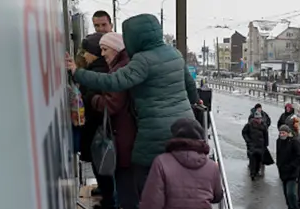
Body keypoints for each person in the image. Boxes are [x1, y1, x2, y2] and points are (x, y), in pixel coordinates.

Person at [66, 13, 201, 198]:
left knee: (139, 173)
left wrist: (77, 73)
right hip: (185, 124)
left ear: (135, 37)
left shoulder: (142, 60)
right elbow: (190, 87)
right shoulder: (174, 53)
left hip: (155, 129)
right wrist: (196, 102)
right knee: (179, 170)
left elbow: (113, 82)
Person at [91, 32, 138, 209]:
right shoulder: (125, 65)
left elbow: (112, 105)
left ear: (116, 48)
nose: (102, 54)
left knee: (125, 177)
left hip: (124, 133)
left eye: (105, 49)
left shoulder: (120, 69)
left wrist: (93, 99)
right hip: (128, 131)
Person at [77, 33, 118, 209]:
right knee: (104, 171)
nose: (83, 55)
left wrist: (87, 98)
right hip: (100, 130)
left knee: (105, 170)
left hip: (100, 131)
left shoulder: (98, 72)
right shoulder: (98, 68)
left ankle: (110, 208)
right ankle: (110, 205)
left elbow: (105, 103)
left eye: (87, 51)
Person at [276, 125, 300, 209]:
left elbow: (299, 156)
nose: (282, 134)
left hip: (292, 172)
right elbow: (278, 155)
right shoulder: (279, 141)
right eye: (280, 132)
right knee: (286, 193)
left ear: (288, 132)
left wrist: (292, 166)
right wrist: (279, 166)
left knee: (291, 193)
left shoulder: (294, 142)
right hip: (283, 172)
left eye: (284, 132)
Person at [241, 111, 269, 181]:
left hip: (260, 146)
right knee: (252, 161)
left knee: (259, 161)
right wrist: (248, 141)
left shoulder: (263, 126)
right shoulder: (249, 125)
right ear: (254, 118)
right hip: (252, 146)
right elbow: (244, 132)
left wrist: (266, 144)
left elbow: (266, 136)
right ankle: (252, 174)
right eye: (257, 118)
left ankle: (256, 172)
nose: (258, 120)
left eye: (259, 118)